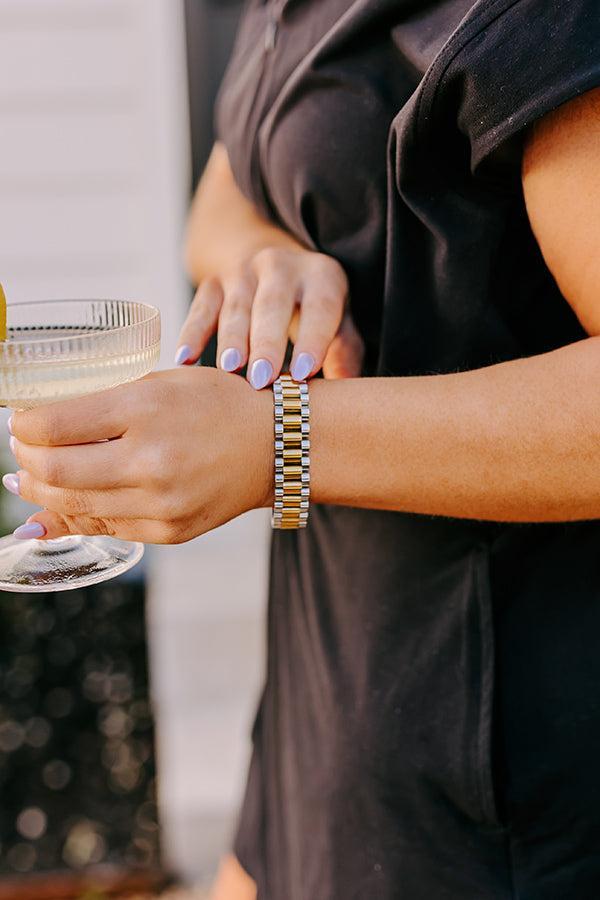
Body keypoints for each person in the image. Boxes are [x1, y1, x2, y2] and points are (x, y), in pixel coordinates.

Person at [4, 0, 600, 896]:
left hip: (496, 776)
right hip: (324, 702)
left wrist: (277, 442)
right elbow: (223, 196)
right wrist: (263, 254)